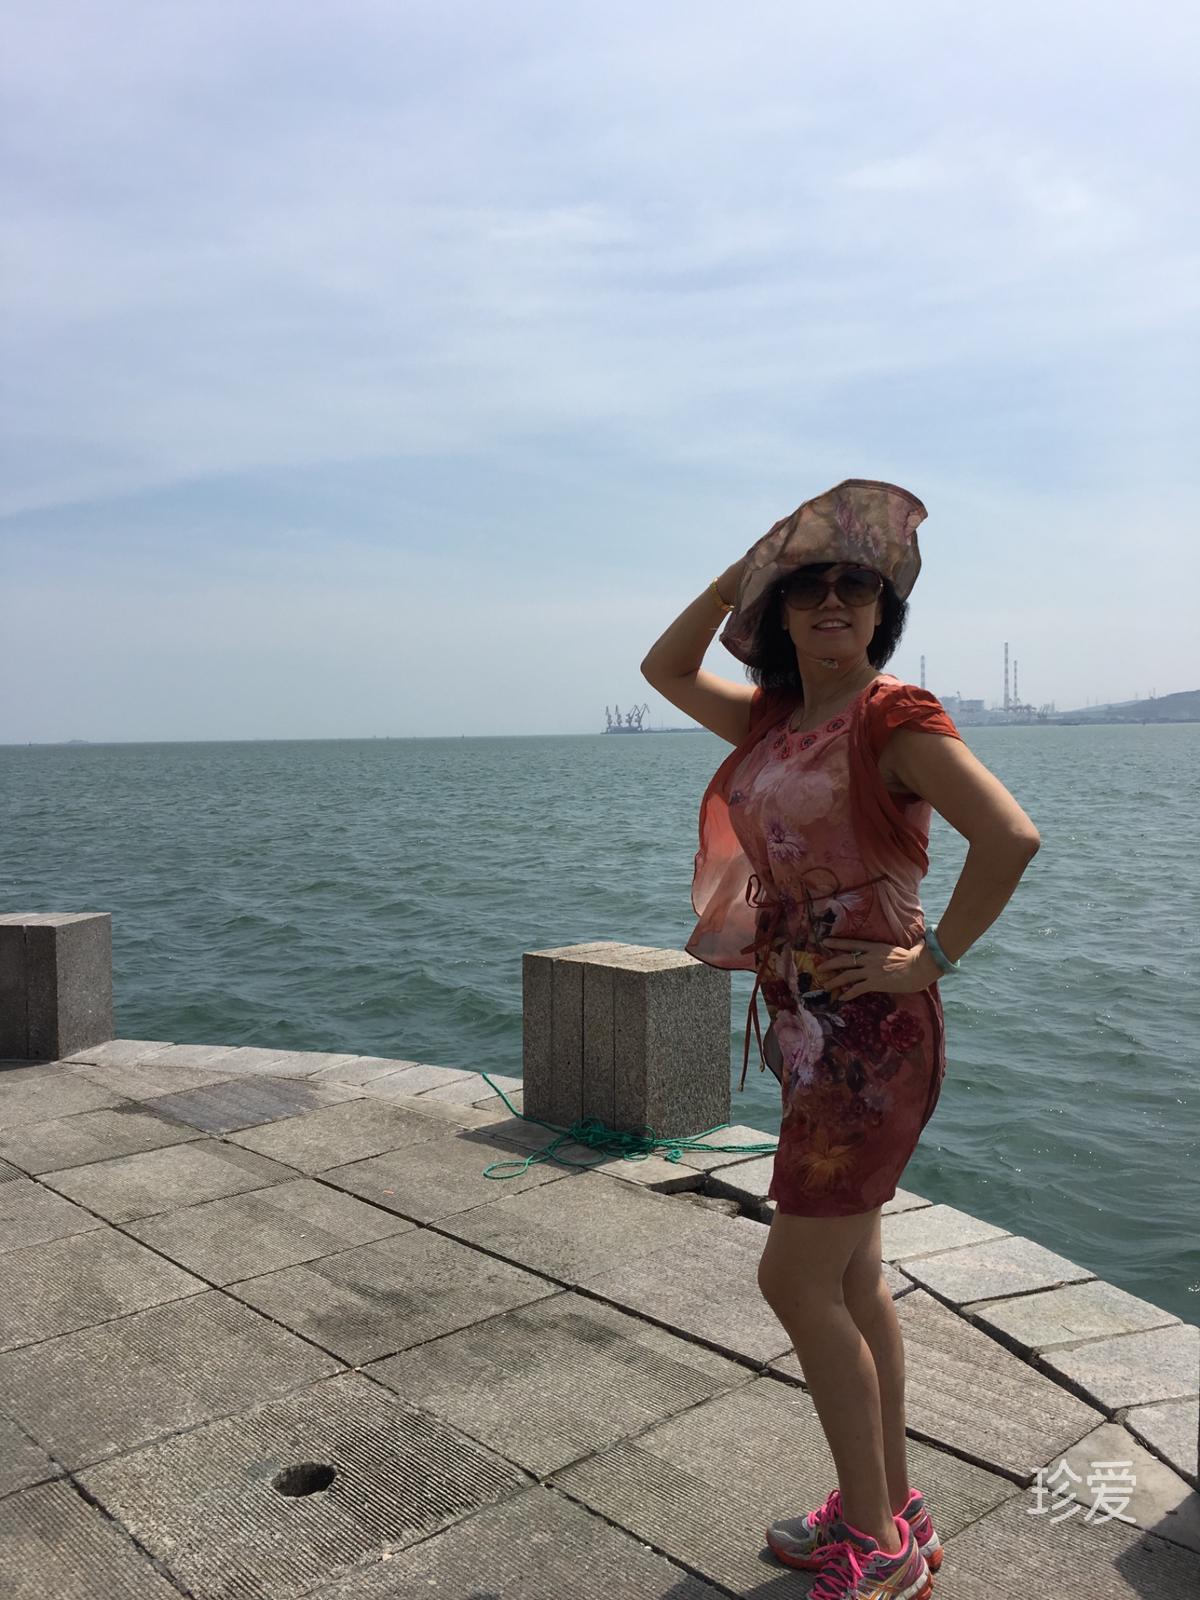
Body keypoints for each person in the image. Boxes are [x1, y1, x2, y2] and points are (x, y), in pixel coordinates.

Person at [640, 479, 1040, 1600]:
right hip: (810, 1035)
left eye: (854, 587)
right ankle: (891, 1506)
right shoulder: (777, 718)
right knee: (854, 1278)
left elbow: (1009, 837)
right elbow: (665, 669)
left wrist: (933, 957)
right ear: (779, 610)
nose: (831, 602)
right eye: (808, 586)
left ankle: (878, 1547)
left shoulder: (892, 719)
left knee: (793, 1279)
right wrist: (744, 571)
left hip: (874, 1039)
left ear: (880, 612)